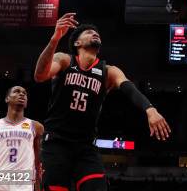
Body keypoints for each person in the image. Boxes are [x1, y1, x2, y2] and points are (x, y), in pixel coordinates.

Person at [33, 13, 171, 191]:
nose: (94, 33)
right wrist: (55, 38)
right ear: (77, 43)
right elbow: (40, 75)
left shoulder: (109, 71)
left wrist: (150, 109)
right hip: (56, 143)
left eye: (96, 32)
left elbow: (128, 87)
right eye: (88, 32)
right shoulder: (65, 60)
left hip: (86, 146)